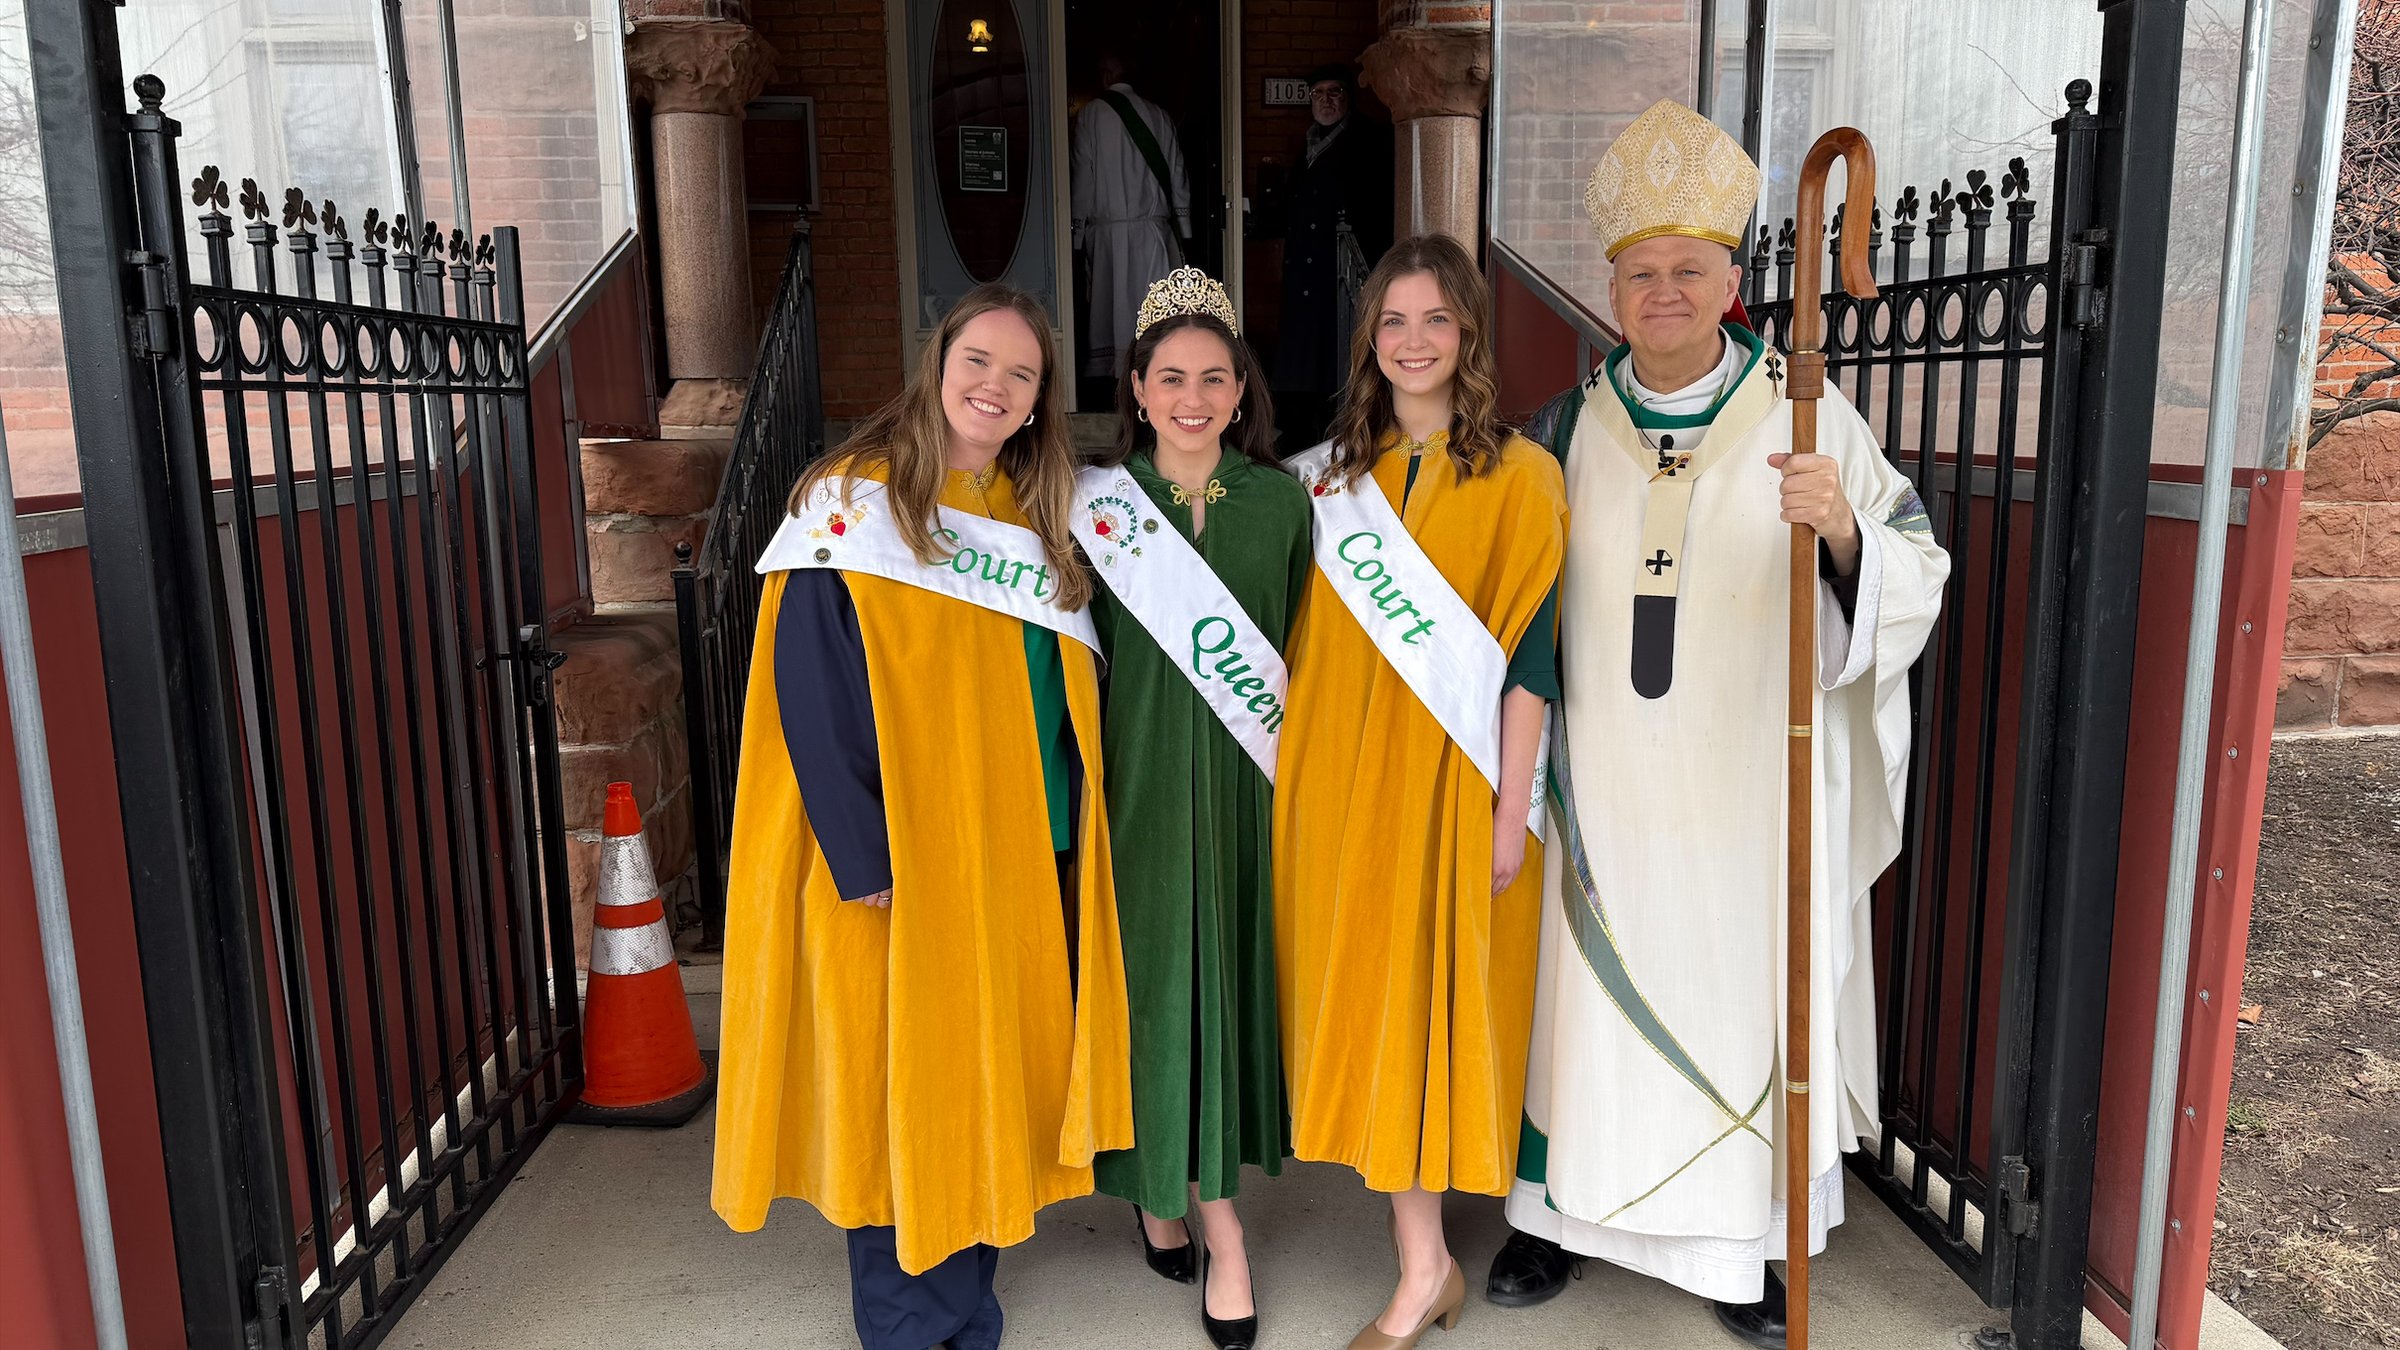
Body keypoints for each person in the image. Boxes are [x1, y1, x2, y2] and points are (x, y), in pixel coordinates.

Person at [1487, 101, 1950, 1350]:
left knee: (1741, 996)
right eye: (1641, 273)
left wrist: (1841, 531)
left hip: (1751, 788)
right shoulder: (1563, 428)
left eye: (1689, 270)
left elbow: (1913, 560)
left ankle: (1741, 1243)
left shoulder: (1805, 413)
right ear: (1611, 291)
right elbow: (1513, 601)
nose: (1664, 293)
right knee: (1580, 1006)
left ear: (1733, 281)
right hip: (1606, 784)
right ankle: (1554, 1215)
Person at [711, 284, 1134, 1350]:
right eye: (978, 361)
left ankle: (966, 1301)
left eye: (1022, 373)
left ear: (1041, 398)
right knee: (906, 1082)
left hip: (1019, 846)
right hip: (904, 856)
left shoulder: (1030, 514)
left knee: (990, 1075)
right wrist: (862, 856)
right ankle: (912, 1323)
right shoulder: (854, 499)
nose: (996, 385)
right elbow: (811, 686)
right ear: (938, 365)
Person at [1275, 233, 1569, 1350]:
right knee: (1367, 1003)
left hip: (1452, 785)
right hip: (1338, 783)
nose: (1412, 341)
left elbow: (1533, 658)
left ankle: (1422, 1269)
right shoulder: (1326, 479)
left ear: (1469, 334)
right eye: (1392, 321)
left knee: (1431, 1008)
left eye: (1436, 319)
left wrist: (1509, 809)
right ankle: (1425, 1260)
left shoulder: (1522, 477)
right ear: (1369, 339)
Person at [1074, 266, 1311, 1350]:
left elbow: (1307, 650)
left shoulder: (1283, 505)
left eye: (1214, 377)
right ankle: (1212, 1226)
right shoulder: (1095, 511)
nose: (1193, 397)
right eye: (1170, 377)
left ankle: (1178, 1194)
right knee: (1154, 995)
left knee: (1228, 992)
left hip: (1250, 792)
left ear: (1240, 389)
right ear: (1136, 387)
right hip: (1141, 791)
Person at [1270, 62, 1393, 450]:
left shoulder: (1365, 140)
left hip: (1338, 271)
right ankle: (1301, 432)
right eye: (1318, 93)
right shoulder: (1309, 143)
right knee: (1304, 355)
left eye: (1334, 92)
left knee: (1333, 356)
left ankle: (1330, 433)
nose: (1325, 100)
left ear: (1348, 98)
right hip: (1305, 272)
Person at [1072, 53, 1192, 381]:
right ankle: (1159, 374)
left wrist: (1076, 235)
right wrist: (1184, 230)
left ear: (1106, 74)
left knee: (1112, 313)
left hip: (1108, 237)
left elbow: (1083, 179)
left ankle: (1115, 381)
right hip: (1155, 236)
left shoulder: (1091, 115)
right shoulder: (1159, 115)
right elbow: (1178, 175)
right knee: (1153, 312)